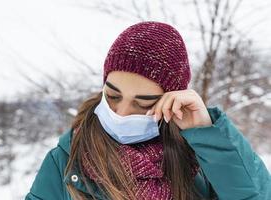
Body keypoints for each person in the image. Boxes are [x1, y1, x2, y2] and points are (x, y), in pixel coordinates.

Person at [25, 21, 271, 200]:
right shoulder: (66, 161)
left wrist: (207, 135)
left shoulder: (200, 159)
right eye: (112, 96)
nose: (121, 113)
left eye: (143, 103)